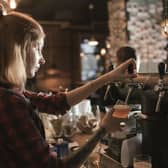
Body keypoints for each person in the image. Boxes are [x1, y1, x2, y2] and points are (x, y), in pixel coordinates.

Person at [0, 7, 136, 168]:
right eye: (37, 48)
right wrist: (103, 130)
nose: (42, 59)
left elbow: (56, 103)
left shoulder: (10, 92)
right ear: (19, 49)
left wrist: (109, 77)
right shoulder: (9, 103)